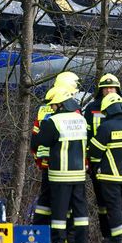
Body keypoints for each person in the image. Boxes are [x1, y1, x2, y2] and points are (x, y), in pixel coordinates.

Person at [34, 87, 88, 243]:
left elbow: (41, 141)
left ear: (61, 105)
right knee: (79, 209)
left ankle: (57, 242)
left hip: (60, 174)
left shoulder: (54, 121)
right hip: (79, 173)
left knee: (59, 208)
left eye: (54, 105)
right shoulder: (81, 119)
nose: (52, 109)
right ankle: (79, 242)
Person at [88, 93, 122, 243]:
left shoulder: (106, 127)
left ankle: (117, 240)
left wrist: (95, 166)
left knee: (114, 206)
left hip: (109, 175)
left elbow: (95, 152)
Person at [84, 73, 122, 240]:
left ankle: (120, 235)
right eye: (106, 87)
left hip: (119, 160)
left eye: (112, 87)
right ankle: (107, 235)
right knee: (101, 200)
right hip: (97, 159)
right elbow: (86, 133)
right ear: (100, 90)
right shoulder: (92, 108)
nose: (109, 90)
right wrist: (88, 158)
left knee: (119, 200)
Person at [31, 85, 76, 225]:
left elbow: (35, 141)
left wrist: (38, 160)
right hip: (65, 166)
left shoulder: (42, 111)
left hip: (47, 163)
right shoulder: (74, 114)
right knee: (64, 201)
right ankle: (65, 235)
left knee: (45, 198)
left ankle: (39, 231)